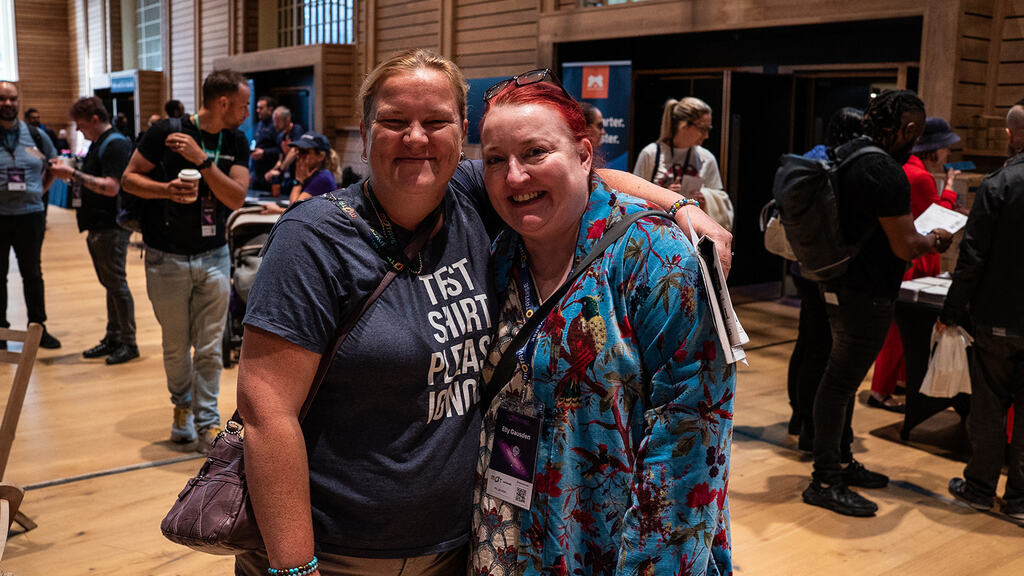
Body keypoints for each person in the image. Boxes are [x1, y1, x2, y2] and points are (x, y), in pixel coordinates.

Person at [234, 50, 731, 576]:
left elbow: (584, 176)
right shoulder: (316, 238)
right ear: (363, 130)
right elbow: (266, 413)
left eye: (437, 121)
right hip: (344, 553)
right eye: (394, 121)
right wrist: (294, 568)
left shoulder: (481, 199)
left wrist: (682, 208)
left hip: (477, 549)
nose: (417, 138)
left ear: (460, 131)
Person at [471, 76, 733, 576]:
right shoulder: (500, 254)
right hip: (506, 541)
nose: (515, 176)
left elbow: (692, 440)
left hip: (616, 551)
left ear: (585, 154)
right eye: (495, 160)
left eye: (535, 152)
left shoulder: (656, 258)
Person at [802, 90, 954, 517]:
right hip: (864, 292)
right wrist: (937, 239)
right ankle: (826, 478)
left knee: (841, 381)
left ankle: (841, 462)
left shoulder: (846, 153)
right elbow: (906, 245)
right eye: (917, 133)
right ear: (907, 129)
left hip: (835, 282)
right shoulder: (883, 169)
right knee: (838, 383)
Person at [121, 70, 250, 453]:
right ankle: (182, 407)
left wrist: (203, 162)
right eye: (243, 105)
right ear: (223, 102)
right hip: (166, 259)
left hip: (214, 255)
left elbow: (237, 199)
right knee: (176, 347)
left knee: (210, 347)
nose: (246, 112)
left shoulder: (237, 140)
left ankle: (208, 421)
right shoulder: (164, 132)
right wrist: (165, 190)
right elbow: (128, 179)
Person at [941, 100, 1024, 523]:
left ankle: (979, 488)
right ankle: (1020, 500)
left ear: (1011, 134)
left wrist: (951, 310)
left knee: (989, 406)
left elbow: (972, 257)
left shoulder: (1000, 184)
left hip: (999, 316)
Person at [868, 116, 961, 412]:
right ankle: (882, 389)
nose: (947, 154)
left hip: (906, 255)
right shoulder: (919, 177)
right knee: (903, 329)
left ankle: (896, 383)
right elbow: (938, 214)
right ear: (934, 150)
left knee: (902, 327)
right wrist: (949, 189)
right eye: (945, 148)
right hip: (919, 257)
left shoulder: (904, 169)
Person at [787, 107, 862, 452]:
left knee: (808, 340)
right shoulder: (840, 166)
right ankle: (812, 429)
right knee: (823, 348)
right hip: (827, 269)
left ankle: (799, 417)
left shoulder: (810, 158)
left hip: (801, 265)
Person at [47, 97, 139, 364]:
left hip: (111, 226)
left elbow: (111, 187)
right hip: (99, 225)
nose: (78, 130)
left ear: (96, 119)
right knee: (110, 285)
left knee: (117, 285)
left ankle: (128, 343)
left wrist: (72, 175)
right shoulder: (102, 143)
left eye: (81, 123)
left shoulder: (116, 144)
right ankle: (114, 337)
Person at [0, 81, 61, 349]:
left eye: (12, 99)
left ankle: (38, 328)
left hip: (31, 215)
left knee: (32, 273)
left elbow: (54, 165)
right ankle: (1, 331)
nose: (8, 104)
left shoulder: (36, 135)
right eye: (2, 99)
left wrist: (40, 190)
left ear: (18, 101)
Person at [633, 97, 734, 229]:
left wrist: (705, 200)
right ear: (684, 125)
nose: (706, 135)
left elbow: (721, 203)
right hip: (656, 231)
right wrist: (664, 195)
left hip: (693, 234)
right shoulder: (651, 154)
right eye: (703, 129)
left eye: (708, 129)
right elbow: (633, 198)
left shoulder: (706, 158)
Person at [259, 131, 338, 215]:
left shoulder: (323, 177)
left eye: (304, 152)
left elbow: (295, 210)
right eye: (298, 151)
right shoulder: (310, 176)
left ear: (320, 156)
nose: (299, 156)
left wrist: (298, 181)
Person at [262, 106, 305, 192]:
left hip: (300, 176)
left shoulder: (297, 130)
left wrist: (280, 169)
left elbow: (294, 151)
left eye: (277, 120)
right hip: (288, 178)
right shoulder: (280, 136)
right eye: (274, 120)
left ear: (287, 119)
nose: (275, 124)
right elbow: (280, 160)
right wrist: (272, 171)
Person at [249, 96, 278, 192]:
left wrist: (264, 152)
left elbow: (281, 151)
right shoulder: (258, 125)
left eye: (261, 108)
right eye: (257, 108)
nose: (257, 110)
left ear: (270, 109)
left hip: (270, 175)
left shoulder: (276, 126)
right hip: (256, 175)